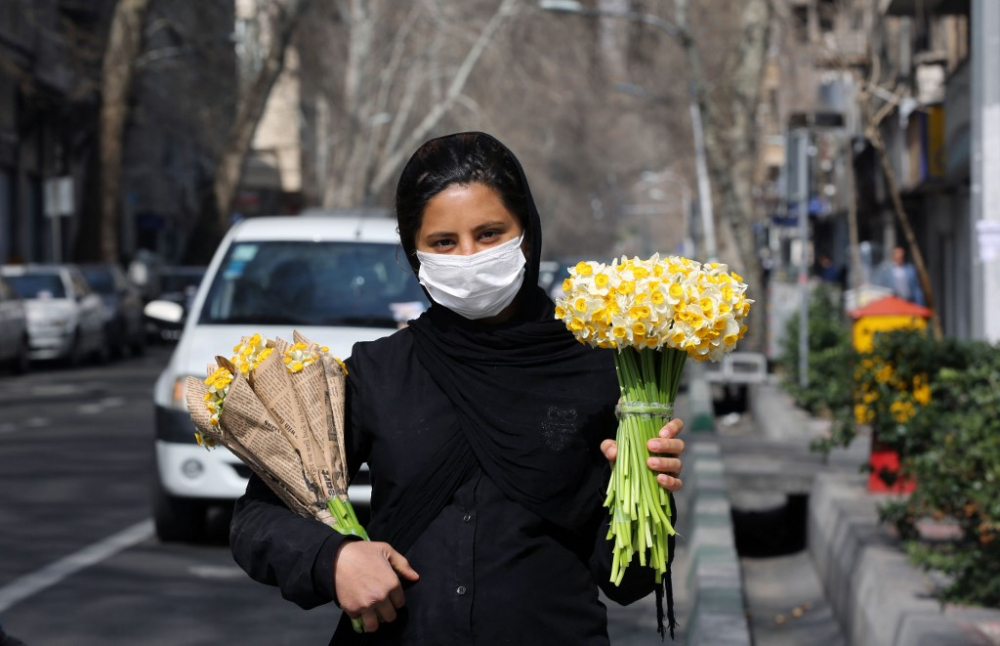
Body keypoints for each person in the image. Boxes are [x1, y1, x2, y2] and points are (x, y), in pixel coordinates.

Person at [229, 132, 686, 645]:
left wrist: (646, 493)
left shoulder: (600, 369)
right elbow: (256, 518)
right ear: (415, 254)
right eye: (444, 243)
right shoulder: (378, 371)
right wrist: (333, 558)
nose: (468, 257)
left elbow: (627, 581)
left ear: (527, 235)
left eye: (489, 233)